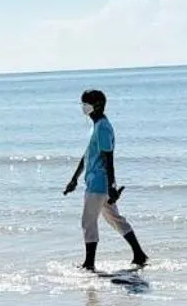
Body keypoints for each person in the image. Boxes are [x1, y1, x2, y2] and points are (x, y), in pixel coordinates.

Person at [62, 87, 149, 273]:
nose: (83, 107)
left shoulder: (103, 127)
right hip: (96, 182)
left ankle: (89, 263)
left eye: (86, 103)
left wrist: (111, 185)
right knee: (115, 219)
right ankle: (139, 254)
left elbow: (108, 158)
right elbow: (87, 155)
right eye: (82, 103)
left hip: (99, 184)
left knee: (88, 221)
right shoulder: (96, 126)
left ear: (97, 105)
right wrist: (74, 179)